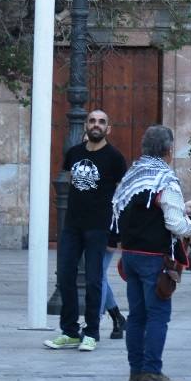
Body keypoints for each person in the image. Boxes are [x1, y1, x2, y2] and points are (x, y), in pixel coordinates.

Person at [111, 125, 191, 381]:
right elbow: (174, 223)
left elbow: (142, 210)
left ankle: (136, 372)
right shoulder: (164, 178)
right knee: (158, 315)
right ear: (168, 150)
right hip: (154, 258)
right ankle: (152, 372)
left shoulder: (132, 174)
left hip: (131, 256)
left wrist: (184, 209)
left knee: (137, 316)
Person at [45, 109, 127, 352]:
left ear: (108, 129)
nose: (96, 125)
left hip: (99, 227)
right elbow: (72, 182)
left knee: (94, 281)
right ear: (86, 126)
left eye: (101, 122)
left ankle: (91, 332)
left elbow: (122, 196)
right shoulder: (73, 154)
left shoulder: (115, 157)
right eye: (92, 121)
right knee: (65, 278)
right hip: (72, 225)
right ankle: (69, 331)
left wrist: (117, 233)